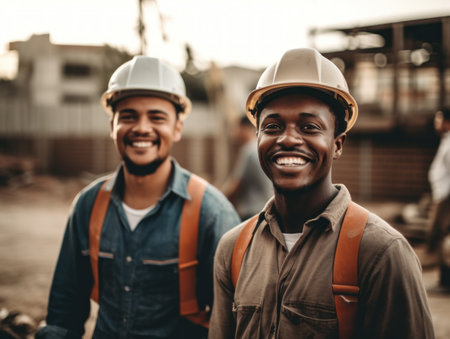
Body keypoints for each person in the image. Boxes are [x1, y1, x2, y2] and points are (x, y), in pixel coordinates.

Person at [209, 48, 434, 338]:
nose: (288, 138)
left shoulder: (380, 253)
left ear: (337, 144)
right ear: (258, 139)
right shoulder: (233, 249)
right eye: (273, 126)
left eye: (309, 126)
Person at [35, 56, 240, 339]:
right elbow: (63, 313)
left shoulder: (211, 212)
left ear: (177, 128)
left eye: (157, 117)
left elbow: (233, 323)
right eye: (129, 116)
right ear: (112, 126)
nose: (142, 128)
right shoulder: (88, 206)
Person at [222, 116, 272, 220]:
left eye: (236, 128)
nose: (234, 132)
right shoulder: (262, 149)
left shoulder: (249, 150)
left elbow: (235, 185)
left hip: (252, 213)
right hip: (267, 210)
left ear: (245, 128)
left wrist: (217, 197)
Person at [426, 108, 450, 293]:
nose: (437, 123)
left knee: (442, 237)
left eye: (439, 120)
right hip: (441, 196)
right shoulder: (446, 141)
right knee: (441, 238)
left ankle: (445, 281)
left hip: (445, 198)